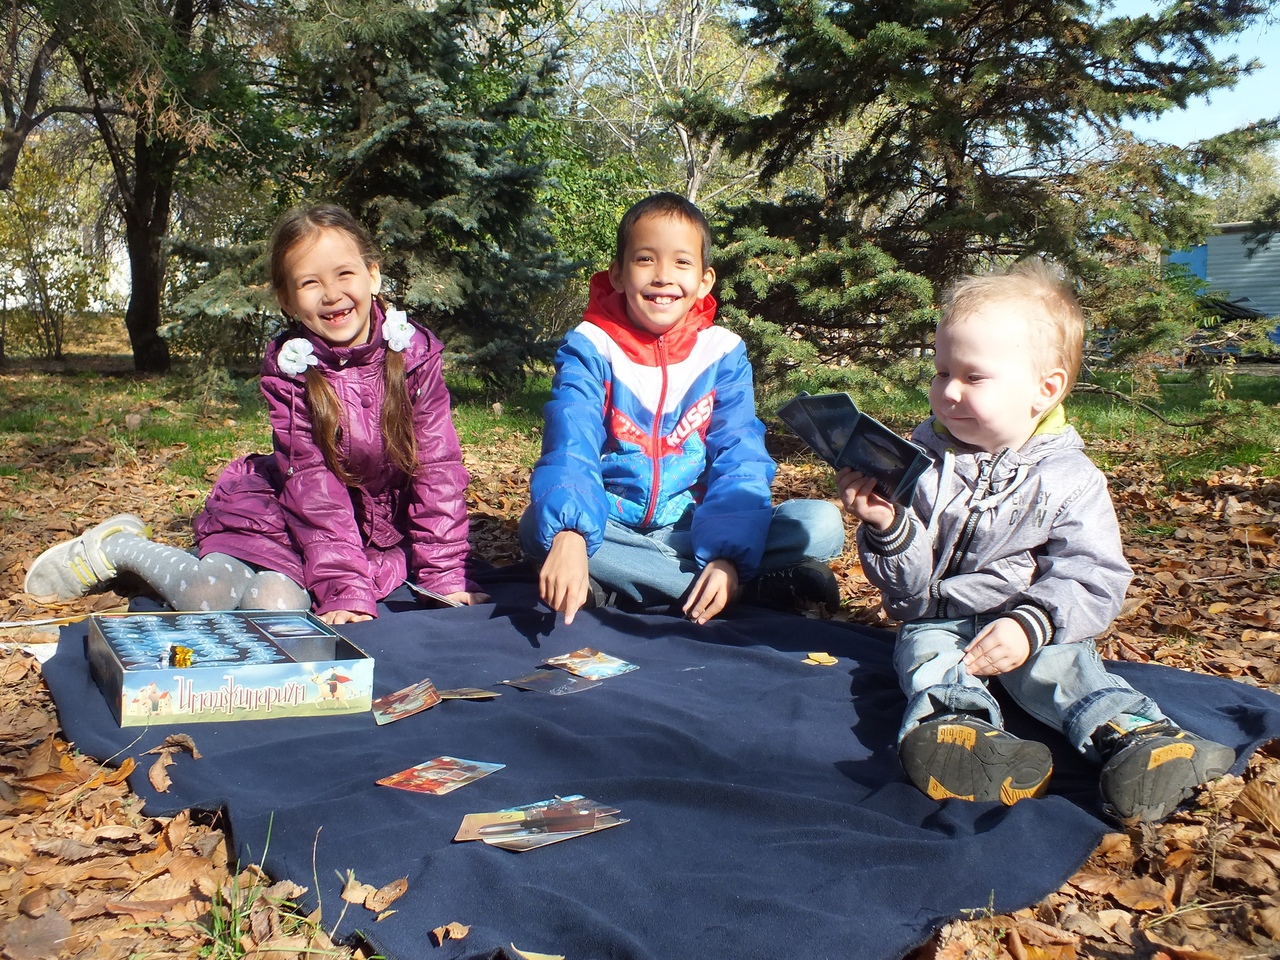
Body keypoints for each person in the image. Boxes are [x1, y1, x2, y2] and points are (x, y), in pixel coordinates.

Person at [837, 260, 1234, 822]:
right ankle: (961, 737)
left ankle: (1142, 741)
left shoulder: (1070, 479)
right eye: (940, 371)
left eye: (973, 377)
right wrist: (888, 528)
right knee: (929, 663)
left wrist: (1031, 624)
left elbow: (1094, 576)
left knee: (1064, 671)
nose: (947, 393)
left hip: (1034, 622)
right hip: (940, 619)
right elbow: (908, 594)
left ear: (1044, 390)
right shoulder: (921, 464)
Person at [25, 202, 486, 624]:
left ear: (373, 275)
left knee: (275, 608)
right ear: (287, 300)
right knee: (208, 593)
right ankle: (121, 547)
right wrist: (345, 589)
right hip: (287, 515)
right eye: (309, 283)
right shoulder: (293, 370)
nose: (331, 294)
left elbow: (437, 468)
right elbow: (313, 486)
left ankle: (303, 582)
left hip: (378, 533)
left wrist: (443, 576)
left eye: (344, 274)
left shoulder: (414, 357)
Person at [521, 192, 846, 626]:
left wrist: (729, 556)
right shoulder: (590, 345)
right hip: (610, 525)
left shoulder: (722, 353)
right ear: (617, 274)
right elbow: (569, 442)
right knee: (539, 529)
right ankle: (741, 590)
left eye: (681, 262)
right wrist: (571, 534)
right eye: (644, 260)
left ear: (705, 280)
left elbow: (739, 457)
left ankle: (644, 584)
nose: (662, 277)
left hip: (696, 529)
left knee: (822, 523)